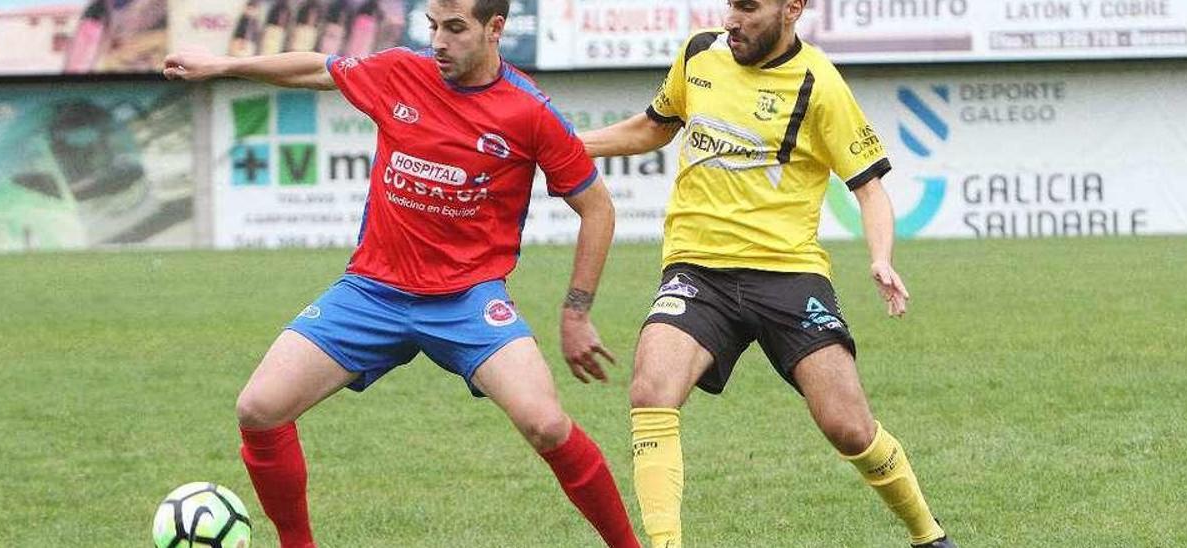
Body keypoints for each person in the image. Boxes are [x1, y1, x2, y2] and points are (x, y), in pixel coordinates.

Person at [163, 1, 640, 546]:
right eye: (433, 27)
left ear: (495, 29)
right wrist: (222, 66)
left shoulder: (529, 111)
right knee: (259, 409)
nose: (438, 41)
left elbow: (597, 208)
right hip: (372, 292)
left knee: (547, 424)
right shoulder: (399, 72)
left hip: (468, 301)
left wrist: (576, 313)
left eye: (455, 29)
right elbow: (317, 68)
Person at [579, 1, 955, 547]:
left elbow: (869, 187)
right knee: (651, 390)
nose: (733, 19)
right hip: (698, 271)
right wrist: (563, 146)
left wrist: (880, 257)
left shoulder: (819, 84)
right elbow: (652, 129)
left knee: (848, 427)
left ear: (792, 9)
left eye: (749, 7)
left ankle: (928, 535)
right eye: (730, 4)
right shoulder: (699, 55)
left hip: (788, 274)